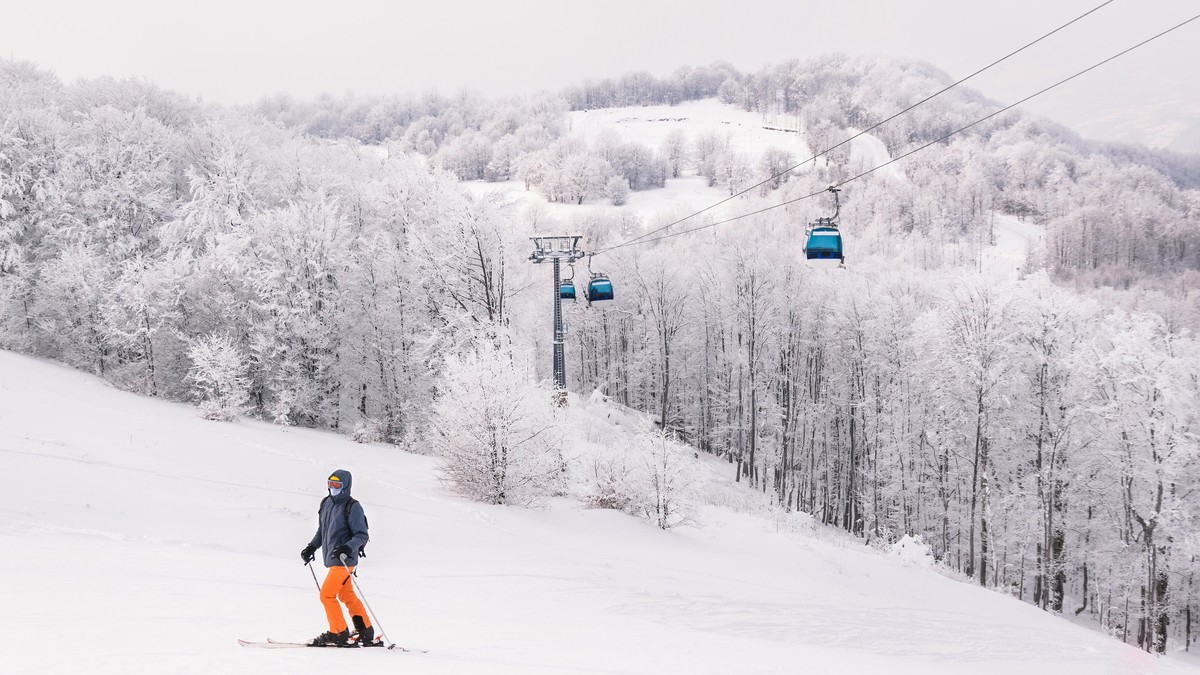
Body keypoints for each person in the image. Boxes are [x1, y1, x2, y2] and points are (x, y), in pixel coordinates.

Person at [300, 469, 373, 647]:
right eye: (330, 484)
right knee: (346, 595)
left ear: (345, 486)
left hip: (344, 560)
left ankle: (338, 632)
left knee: (326, 595)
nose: (333, 487)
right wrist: (311, 547)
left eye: (337, 485)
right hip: (333, 559)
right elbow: (322, 531)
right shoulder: (326, 503)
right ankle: (365, 630)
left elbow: (361, 534)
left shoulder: (353, 506)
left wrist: (347, 547)